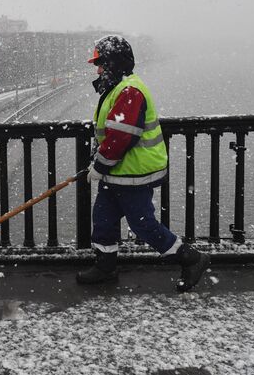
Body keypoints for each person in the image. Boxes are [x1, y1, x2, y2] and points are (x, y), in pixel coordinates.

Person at [77, 35, 210, 292]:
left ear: (114, 63)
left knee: (142, 224)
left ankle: (191, 259)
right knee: (103, 219)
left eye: (101, 63)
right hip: (118, 173)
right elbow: (111, 134)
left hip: (133, 174)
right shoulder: (120, 88)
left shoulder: (129, 91)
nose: (98, 69)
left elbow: (120, 137)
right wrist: (100, 163)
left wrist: (100, 166)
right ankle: (105, 266)